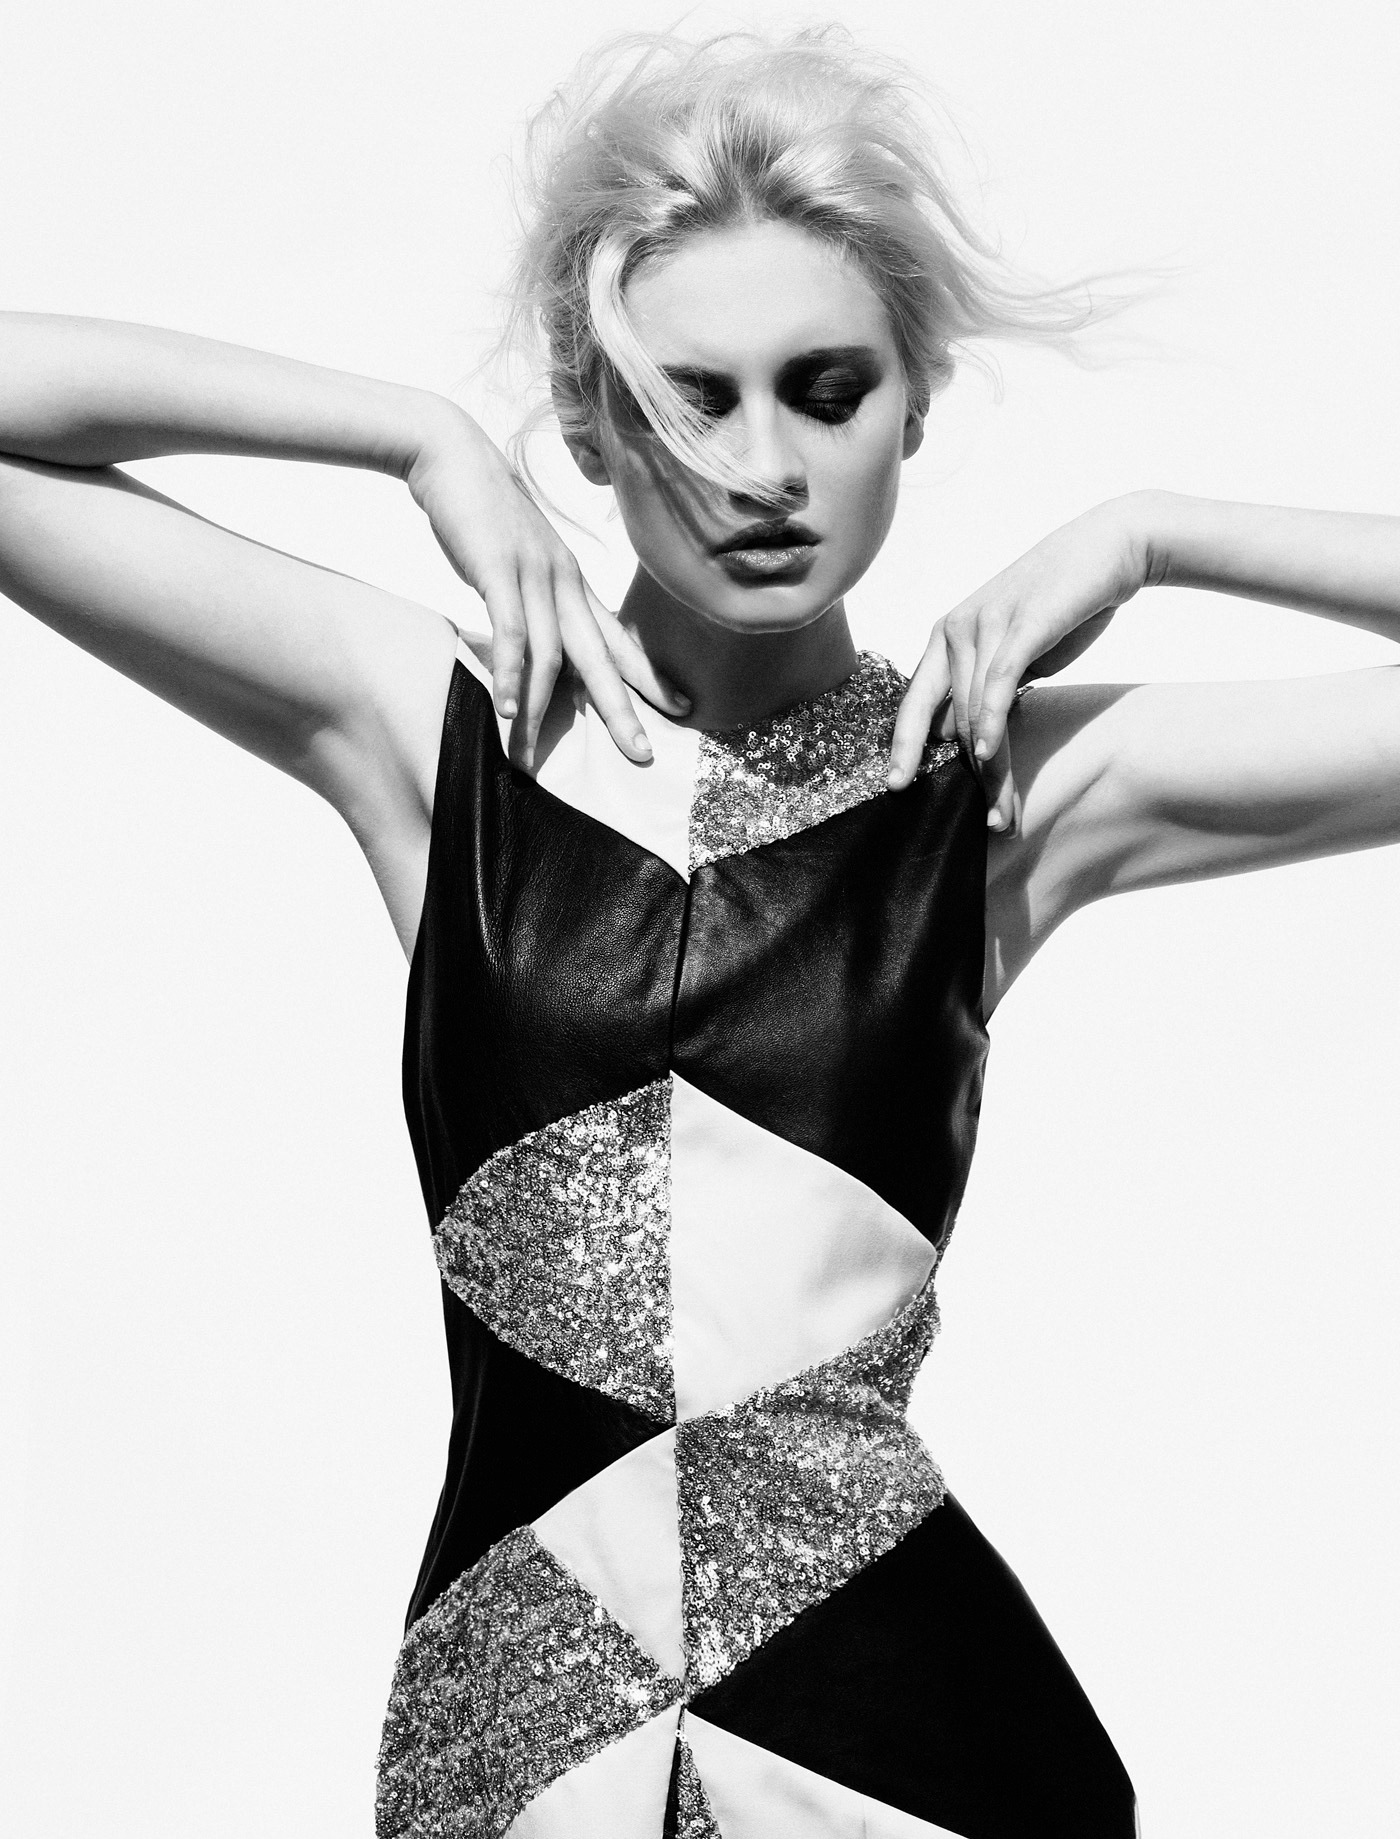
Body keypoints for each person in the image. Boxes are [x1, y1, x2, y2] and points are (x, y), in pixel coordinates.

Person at [2, 23, 1398, 1839]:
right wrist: (413, 438)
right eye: (691, 399)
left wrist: (1158, 534)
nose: (764, 467)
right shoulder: (449, 738)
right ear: (588, 422)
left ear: (914, 406)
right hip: (519, 1719)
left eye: (829, 390)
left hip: (905, 1740)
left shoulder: (987, 790)